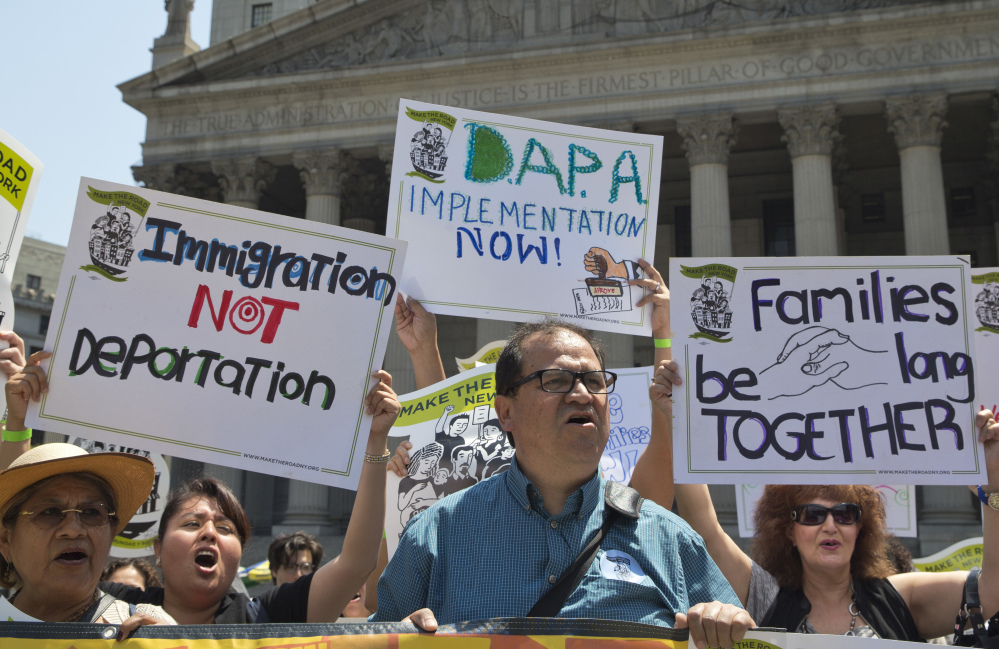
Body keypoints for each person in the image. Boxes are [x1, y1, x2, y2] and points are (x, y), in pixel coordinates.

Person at [373, 261, 753, 648]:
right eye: (555, 381)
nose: (582, 394)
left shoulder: (669, 538)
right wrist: (396, 640)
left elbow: (750, 640)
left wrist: (727, 623)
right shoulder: (437, 533)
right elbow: (368, 637)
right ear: (506, 412)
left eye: (594, 381)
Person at [5, 357, 401, 634]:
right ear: (157, 549)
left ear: (240, 551)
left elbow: (355, 563)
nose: (209, 532)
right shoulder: (107, 606)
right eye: (192, 523)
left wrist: (375, 445)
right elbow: (25, 530)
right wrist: (18, 424)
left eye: (226, 527)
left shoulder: (263, 617)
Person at [642, 358, 999, 641]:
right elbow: (704, 527)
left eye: (845, 514)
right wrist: (681, 421)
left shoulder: (899, 596)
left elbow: (992, 589)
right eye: (812, 515)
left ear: (861, 528)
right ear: (788, 530)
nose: (830, 524)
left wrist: (994, 487)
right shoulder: (763, 596)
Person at [0, 442, 156, 623]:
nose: (73, 530)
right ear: (5, 540)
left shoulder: (150, 627)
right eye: (50, 512)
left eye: (91, 512)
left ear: (111, 532)